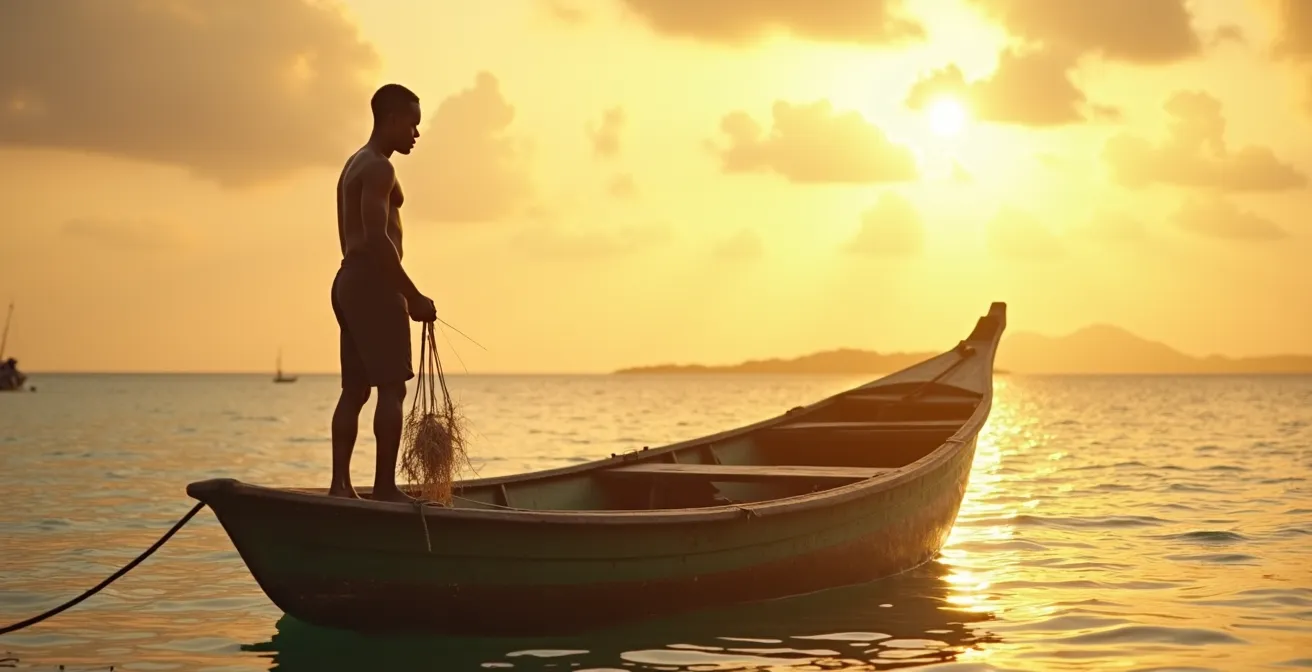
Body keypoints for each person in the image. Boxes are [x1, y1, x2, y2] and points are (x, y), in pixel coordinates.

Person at [329, 83, 437, 502]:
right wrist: (411, 295)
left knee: (355, 389)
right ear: (391, 119)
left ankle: (341, 487)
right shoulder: (378, 168)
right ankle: (385, 488)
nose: (415, 133)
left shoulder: (353, 163)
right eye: (411, 124)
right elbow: (378, 239)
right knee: (392, 387)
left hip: (347, 282)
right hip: (373, 283)